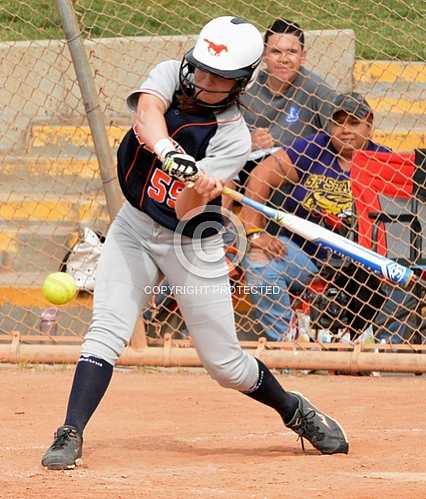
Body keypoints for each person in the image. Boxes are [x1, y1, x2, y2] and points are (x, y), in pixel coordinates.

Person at [41, 17, 348, 470]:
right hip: (133, 227)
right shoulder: (167, 72)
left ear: (239, 84)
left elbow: (182, 211)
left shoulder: (232, 137)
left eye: (216, 78)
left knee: (225, 366)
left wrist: (201, 185)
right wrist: (172, 155)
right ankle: (70, 431)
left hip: (191, 243)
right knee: (106, 332)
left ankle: (294, 409)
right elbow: (147, 115)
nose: (202, 80)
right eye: (200, 68)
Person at [240, 92, 391, 341]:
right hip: (305, 254)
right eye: (338, 122)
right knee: (258, 260)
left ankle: (387, 350)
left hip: (365, 262)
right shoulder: (313, 147)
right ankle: (287, 342)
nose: (344, 130)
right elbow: (260, 176)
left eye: (353, 122)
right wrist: (256, 232)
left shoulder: (384, 159)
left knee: (407, 275)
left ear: (369, 124)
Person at [236, 18, 337, 189]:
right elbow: (220, 133)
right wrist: (248, 143)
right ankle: (216, 216)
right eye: (276, 51)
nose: (284, 59)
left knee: (261, 178)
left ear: (302, 56)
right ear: (264, 55)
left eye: (291, 51)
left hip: (293, 171)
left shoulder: (316, 89)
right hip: (244, 162)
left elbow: (340, 135)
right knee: (224, 180)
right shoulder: (245, 88)